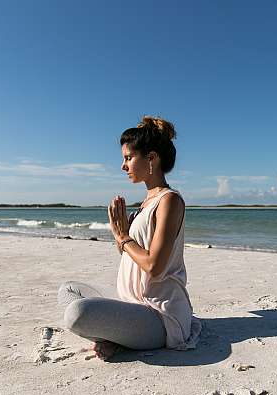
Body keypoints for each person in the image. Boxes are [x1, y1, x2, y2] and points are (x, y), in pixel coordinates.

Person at [57, 116, 201, 360]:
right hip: (131, 301)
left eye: (128, 158)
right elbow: (129, 255)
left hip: (157, 314)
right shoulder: (145, 204)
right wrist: (118, 232)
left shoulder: (170, 201)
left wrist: (124, 236)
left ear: (151, 158)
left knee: (77, 315)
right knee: (69, 289)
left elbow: (154, 267)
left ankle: (118, 338)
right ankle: (116, 336)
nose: (123, 166)